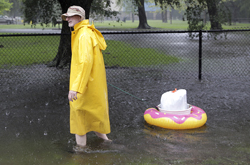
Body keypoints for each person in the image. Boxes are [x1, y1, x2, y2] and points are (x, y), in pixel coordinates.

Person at [61, 6, 111, 150]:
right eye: (67, 16)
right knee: (93, 115)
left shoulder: (83, 35)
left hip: (84, 85)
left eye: (71, 16)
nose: (68, 19)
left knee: (79, 118)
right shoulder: (87, 32)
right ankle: (109, 145)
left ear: (80, 17)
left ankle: (80, 152)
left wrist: (76, 88)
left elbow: (85, 62)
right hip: (92, 84)